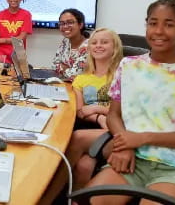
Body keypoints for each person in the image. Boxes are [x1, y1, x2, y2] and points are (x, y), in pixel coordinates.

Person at [85, 0, 175, 204]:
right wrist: (124, 145)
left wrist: (142, 138)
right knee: (92, 200)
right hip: (131, 160)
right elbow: (114, 114)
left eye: (169, 24)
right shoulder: (128, 65)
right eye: (153, 23)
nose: (159, 31)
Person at [40, 28, 124, 204]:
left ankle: (48, 199)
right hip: (94, 128)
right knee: (83, 167)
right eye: (94, 42)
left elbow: (125, 109)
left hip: (118, 128)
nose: (98, 46)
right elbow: (80, 111)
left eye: (104, 42)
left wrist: (97, 108)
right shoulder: (81, 79)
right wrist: (99, 118)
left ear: (115, 47)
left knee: (83, 163)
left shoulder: (122, 75)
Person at [0, 0, 32, 64]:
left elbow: (21, 38)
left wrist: (1, 40)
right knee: (0, 76)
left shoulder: (26, 15)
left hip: (17, 57)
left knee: (16, 77)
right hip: (0, 57)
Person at [52, 8, 89, 80]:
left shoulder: (88, 47)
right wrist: (68, 69)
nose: (65, 26)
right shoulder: (65, 41)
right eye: (62, 23)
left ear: (80, 25)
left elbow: (74, 75)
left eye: (70, 22)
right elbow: (53, 65)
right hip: (64, 83)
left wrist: (62, 67)